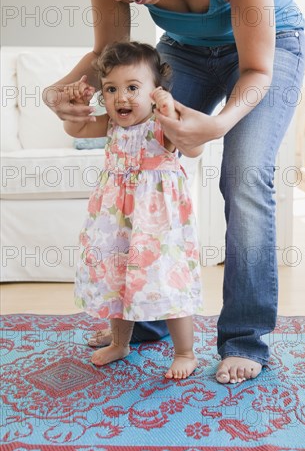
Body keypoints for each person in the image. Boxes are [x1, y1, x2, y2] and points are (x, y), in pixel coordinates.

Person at [44, 0, 305, 384]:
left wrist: (218, 125)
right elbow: (107, 52)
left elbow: (257, 68)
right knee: (141, 168)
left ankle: (245, 339)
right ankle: (145, 316)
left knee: (244, 173)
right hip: (183, 52)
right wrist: (55, 91)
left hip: (269, 52)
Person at [64, 41, 203, 379]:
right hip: (116, 223)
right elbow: (76, 128)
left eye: (132, 88)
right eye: (110, 89)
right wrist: (77, 107)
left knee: (167, 280)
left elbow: (194, 147)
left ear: (156, 92)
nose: (121, 98)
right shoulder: (111, 126)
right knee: (118, 279)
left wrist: (170, 112)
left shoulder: (161, 126)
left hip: (157, 225)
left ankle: (185, 351)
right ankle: (120, 342)